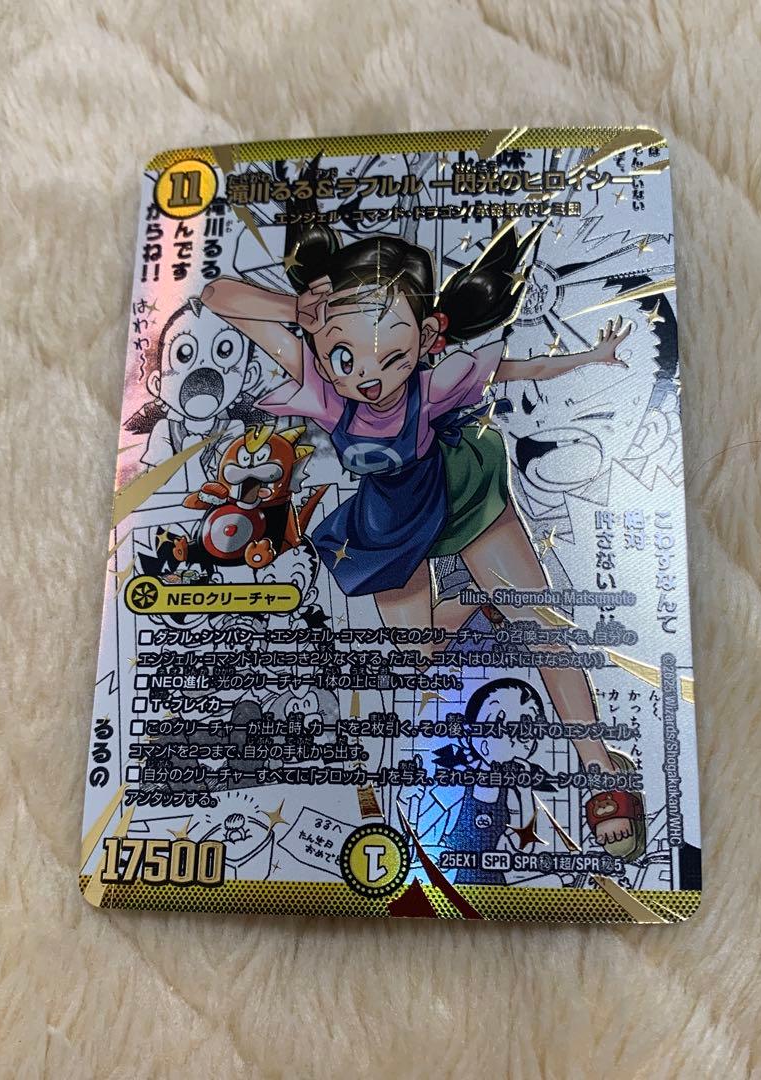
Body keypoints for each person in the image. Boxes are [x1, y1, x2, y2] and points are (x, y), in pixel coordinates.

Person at [200, 206, 640, 853]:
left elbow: (513, 370)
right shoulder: (318, 380)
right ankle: (480, 600)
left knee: (537, 621)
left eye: (392, 355)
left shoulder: (435, 384)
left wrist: (593, 356)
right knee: (417, 656)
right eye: (346, 354)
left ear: (427, 336)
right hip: (391, 523)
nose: (367, 376)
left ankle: (598, 768)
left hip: (460, 494)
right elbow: (216, 295)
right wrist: (296, 310)